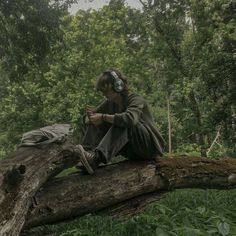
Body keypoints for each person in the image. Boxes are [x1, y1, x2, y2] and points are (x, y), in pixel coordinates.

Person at [76, 69, 165, 174]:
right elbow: (93, 118)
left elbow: (130, 119)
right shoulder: (109, 103)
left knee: (124, 121)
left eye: (105, 90)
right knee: (100, 120)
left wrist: (104, 117)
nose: (103, 93)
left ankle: (96, 158)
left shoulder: (135, 99)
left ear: (118, 86)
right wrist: (92, 116)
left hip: (150, 149)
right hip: (133, 151)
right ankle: (87, 155)